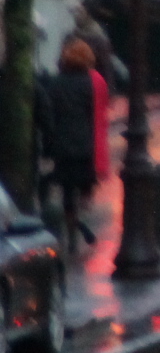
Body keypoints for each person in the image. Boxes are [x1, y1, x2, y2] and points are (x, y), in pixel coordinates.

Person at [35, 36, 110, 253]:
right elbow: (96, 114)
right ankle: (80, 222)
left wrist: (50, 144)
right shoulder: (90, 83)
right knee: (84, 190)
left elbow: (50, 115)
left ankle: (72, 234)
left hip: (63, 146)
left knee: (67, 194)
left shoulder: (56, 83)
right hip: (86, 146)